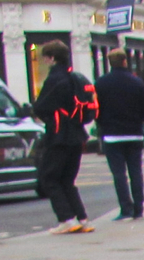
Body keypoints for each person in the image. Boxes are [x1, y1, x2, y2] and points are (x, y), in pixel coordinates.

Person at [29, 41, 95, 233]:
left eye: (45, 58)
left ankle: (67, 219)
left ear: (51, 58)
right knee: (67, 179)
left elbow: (41, 106)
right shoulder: (76, 77)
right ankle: (82, 218)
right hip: (77, 134)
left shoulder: (54, 79)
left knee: (48, 177)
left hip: (59, 135)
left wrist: (45, 115)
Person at [96, 49, 144, 220]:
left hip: (112, 134)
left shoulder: (101, 83)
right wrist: (138, 120)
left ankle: (125, 208)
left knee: (119, 174)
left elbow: (96, 109)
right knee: (136, 172)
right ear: (125, 61)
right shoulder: (136, 82)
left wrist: (103, 124)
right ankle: (139, 207)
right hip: (134, 133)